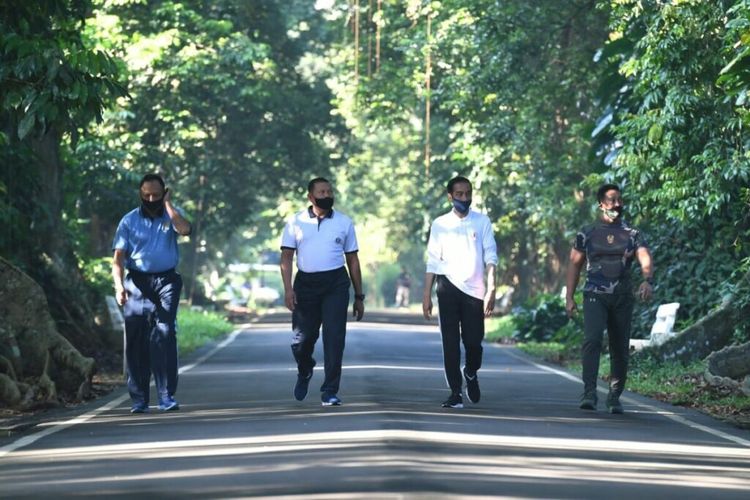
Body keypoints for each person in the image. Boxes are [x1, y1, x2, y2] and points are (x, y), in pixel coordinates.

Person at [565, 183, 653, 414]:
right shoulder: (587, 233)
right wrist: (569, 297)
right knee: (592, 341)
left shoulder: (632, 234)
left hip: (623, 297)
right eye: (612, 200)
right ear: (601, 204)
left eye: (619, 200)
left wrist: (647, 279)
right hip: (595, 295)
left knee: (620, 347)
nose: (617, 205)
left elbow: (644, 256)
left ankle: (614, 396)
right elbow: (574, 265)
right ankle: (589, 393)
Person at [280, 177, 365, 406]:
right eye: (322, 192)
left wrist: (359, 296)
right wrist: (288, 289)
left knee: (334, 337)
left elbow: (353, 260)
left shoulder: (344, 223)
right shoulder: (295, 223)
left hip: (335, 283)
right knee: (301, 340)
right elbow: (286, 258)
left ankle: (330, 390)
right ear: (311, 197)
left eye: (329, 191)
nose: (327, 195)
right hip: (305, 284)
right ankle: (305, 367)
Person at [112, 173, 192, 414]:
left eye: (156, 195)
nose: (150, 198)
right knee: (136, 340)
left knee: (164, 334)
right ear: (140, 193)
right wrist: (118, 287)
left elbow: (185, 230)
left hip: (167, 281)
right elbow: (118, 259)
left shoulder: (171, 214)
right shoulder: (128, 221)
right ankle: (139, 399)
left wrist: (168, 205)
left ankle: (166, 396)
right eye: (146, 194)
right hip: (136, 283)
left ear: (164, 193)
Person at [423, 176, 498, 408]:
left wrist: (492, 287)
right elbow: (433, 261)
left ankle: (471, 372)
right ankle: (455, 392)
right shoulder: (440, 224)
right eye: (459, 194)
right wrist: (426, 295)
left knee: (474, 343)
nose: (464, 198)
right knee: (450, 342)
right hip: (446, 287)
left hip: (475, 291)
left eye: (467, 194)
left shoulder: (482, 222)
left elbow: (490, 255)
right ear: (450, 197)